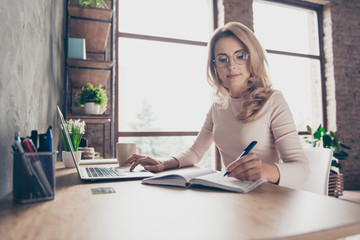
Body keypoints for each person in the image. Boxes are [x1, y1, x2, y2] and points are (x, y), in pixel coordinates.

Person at [125, 22, 309, 187]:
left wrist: (264, 170)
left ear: (253, 58)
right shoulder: (219, 104)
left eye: (240, 56)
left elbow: (302, 170)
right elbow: (196, 152)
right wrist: (164, 163)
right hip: (232, 194)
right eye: (223, 59)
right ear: (215, 66)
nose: (232, 65)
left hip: (268, 196)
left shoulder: (273, 100)